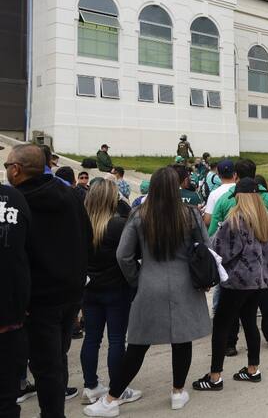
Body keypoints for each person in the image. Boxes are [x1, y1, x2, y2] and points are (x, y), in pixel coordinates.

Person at [84, 167, 211, 416]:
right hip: (184, 283)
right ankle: (177, 392)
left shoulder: (139, 214)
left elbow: (123, 255)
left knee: (138, 344)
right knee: (182, 340)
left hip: (150, 282)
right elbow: (205, 247)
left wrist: (137, 278)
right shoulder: (189, 214)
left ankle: (111, 399)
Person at [5, 144, 91, 416]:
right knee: (56, 360)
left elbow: (15, 256)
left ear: (16, 170)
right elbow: (87, 238)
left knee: (45, 366)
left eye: (7, 166)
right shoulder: (70, 194)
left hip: (39, 301)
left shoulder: (17, 203)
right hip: (70, 295)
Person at [193, 178, 268, 391]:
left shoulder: (235, 222)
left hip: (238, 282)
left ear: (240, 196)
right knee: (249, 322)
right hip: (259, 282)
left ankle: (215, 377)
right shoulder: (267, 221)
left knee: (221, 325)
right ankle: (253, 369)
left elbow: (220, 251)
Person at [207, 160, 268, 354]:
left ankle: (230, 344)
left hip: (236, 274)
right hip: (264, 270)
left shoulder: (226, 200)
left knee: (229, 314)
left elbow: (214, 234)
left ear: (236, 175)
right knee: (264, 307)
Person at [80, 180, 136, 405]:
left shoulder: (80, 224)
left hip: (89, 288)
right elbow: (132, 253)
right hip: (116, 288)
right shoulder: (118, 225)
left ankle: (90, 386)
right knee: (116, 340)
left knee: (91, 338)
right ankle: (117, 389)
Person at [0, 183, 31, 418]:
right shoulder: (14, 197)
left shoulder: (14, 197)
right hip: (11, 314)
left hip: (10, 316)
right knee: (7, 398)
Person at [203, 160, 236, 227]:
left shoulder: (214, 194)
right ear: (235, 174)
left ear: (218, 174)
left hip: (221, 231)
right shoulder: (242, 190)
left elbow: (207, 221)